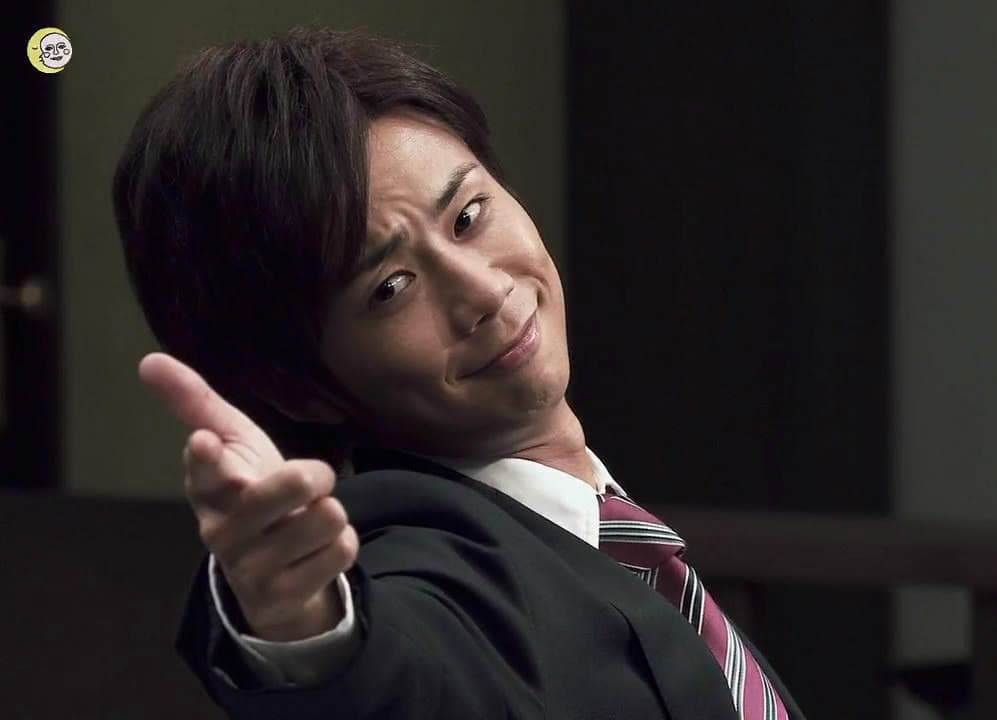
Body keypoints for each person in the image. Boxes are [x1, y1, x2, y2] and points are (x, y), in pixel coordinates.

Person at [115, 26, 806, 720]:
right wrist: (303, 625)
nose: (483, 291)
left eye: (468, 217)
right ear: (297, 388)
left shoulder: (613, 533)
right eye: (390, 287)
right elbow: (397, 683)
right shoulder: (431, 568)